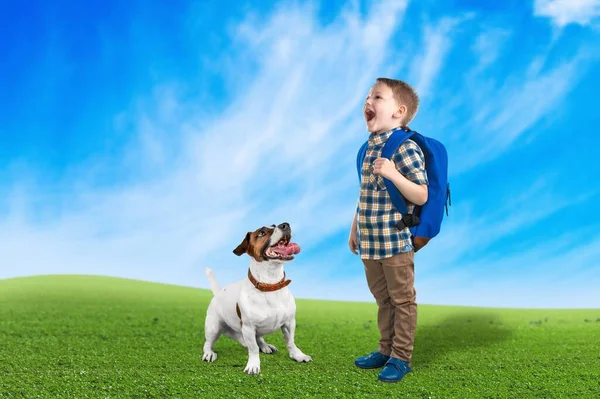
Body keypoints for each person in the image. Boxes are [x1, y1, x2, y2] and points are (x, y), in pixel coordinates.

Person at [349, 77, 428, 383]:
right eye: (367, 97)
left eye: (377, 97)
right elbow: (365, 193)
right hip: (370, 242)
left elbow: (421, 195)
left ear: (399, 111)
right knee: (383, 301)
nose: (368, 102)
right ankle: (385, 349)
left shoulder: (405, 147)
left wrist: (394, 173)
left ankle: (401, 357)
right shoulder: (367, 148)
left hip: (395, 242)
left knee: (402, 301)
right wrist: (354, 227)